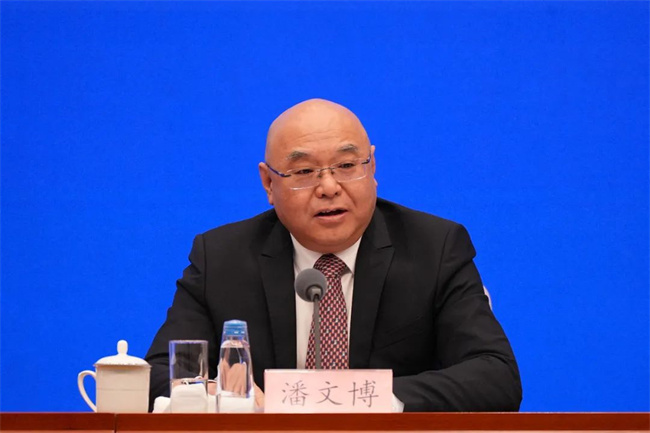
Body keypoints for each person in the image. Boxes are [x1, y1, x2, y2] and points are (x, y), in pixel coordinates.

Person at [145, 98, 522, 412]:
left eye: (346, 166)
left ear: (372, 167)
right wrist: (220, 394)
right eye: (304, 171)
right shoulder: (221, 258)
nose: (328, 187)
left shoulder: (435, 248)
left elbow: (496, 376)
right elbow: (159, 375)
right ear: (269, 183)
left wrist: (370, 401)